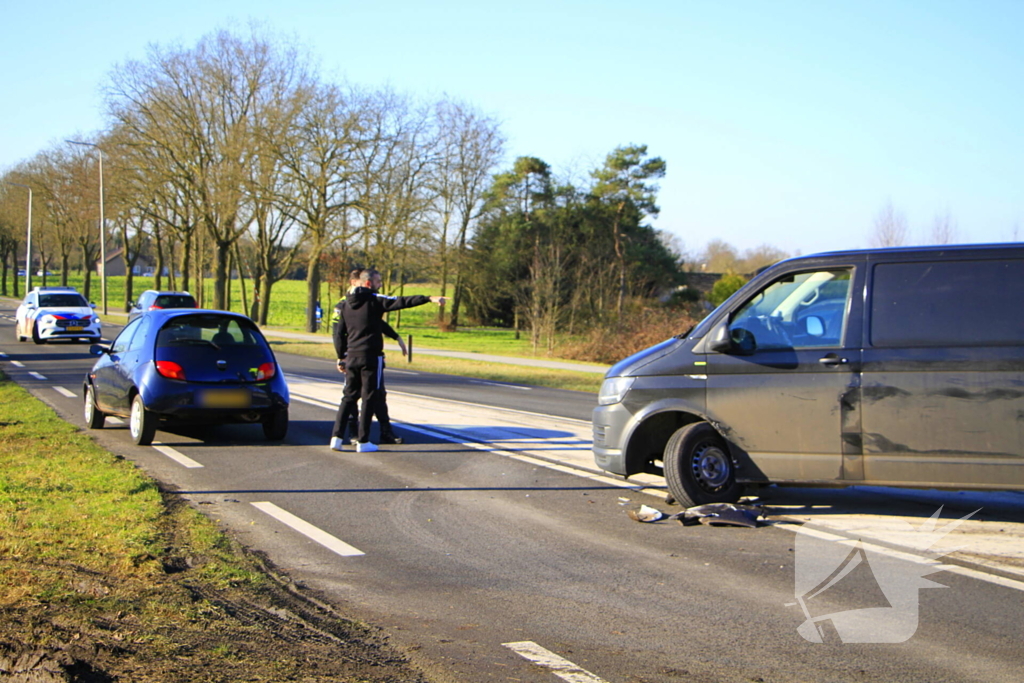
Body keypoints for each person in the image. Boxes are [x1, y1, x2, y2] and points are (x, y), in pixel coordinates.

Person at [331, 269, 444, 452]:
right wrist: (429, 298)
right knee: (370, 397)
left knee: (349, 397)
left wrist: (340, 356)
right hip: (370, 357)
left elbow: (339, 333)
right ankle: (363, 440)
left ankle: (336, 438)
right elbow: (401, 301)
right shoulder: (374, 300)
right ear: (368, 283)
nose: (380, 284)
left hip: (351, 356)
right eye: (378, 281)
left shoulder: (344, 305)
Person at [331, 269, 408, 445]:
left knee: (377, 393)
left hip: (365, 354)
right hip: (353, 354)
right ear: (353, 283)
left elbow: (375, 322)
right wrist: (340, 356)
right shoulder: (343, 304)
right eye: (359, 283)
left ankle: (385, 431)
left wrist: (395, 336)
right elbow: (337, 333)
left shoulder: (368, 301)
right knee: (353, 394)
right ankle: (353, 432)